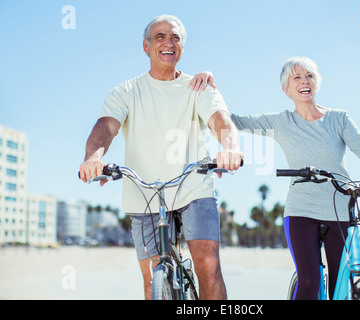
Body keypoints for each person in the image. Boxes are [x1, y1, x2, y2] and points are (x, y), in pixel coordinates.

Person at [79, 14, 243, 300]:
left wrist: (229, 148)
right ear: (146, 46)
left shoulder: (199, 87)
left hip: (193, 188)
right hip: (144, 193)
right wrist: (93, 157)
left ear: (182, 47)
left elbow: (221, 121)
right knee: (151, 278)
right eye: (160, 37)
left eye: (175, 38)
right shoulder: (126, 91)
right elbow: (106, 126)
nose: (169, 43)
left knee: (208, 264)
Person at [230, 56, 360, 300]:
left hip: (339, 208)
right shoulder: (282, 121)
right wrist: (206, 101)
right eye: (296, 77)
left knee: (341, 285)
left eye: (309, 76)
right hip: (301, 210)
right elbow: (237, 121)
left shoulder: (339, 119)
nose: (304, 81)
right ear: (286, 89)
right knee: (309, 281)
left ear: (316, 83)